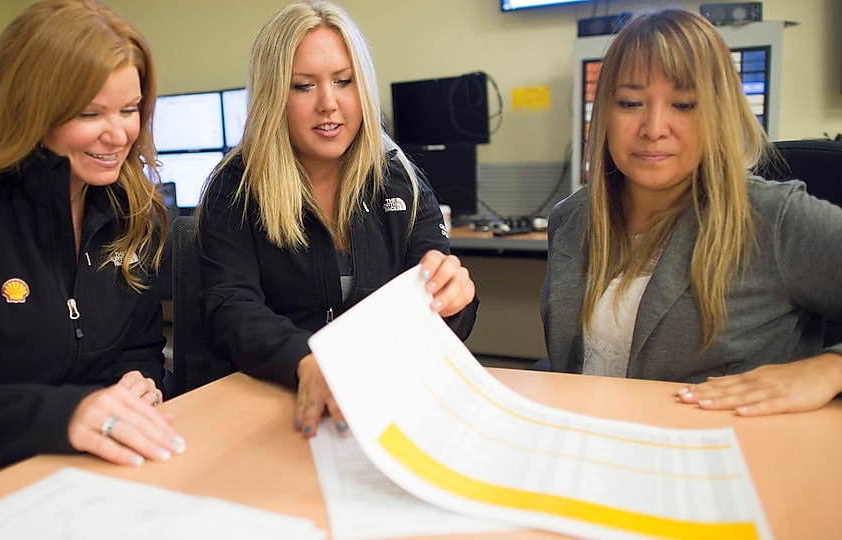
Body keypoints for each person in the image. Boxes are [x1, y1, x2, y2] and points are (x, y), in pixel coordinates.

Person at [0, 0, 185, 518]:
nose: (118, 136)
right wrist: (67, 414)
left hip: (71, 471)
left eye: (130, 109)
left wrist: (140, 388)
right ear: (27, 107)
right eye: (90, 113)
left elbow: (138, 348)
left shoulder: (130, 209)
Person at [194, 0, 478, 438]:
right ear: (274, 95)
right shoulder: (234, 189)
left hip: (384, 404)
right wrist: (308, 362)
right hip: (277, 403)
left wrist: (455, 300)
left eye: (344, 81)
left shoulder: (398, 179)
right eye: (304, 86)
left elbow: (435, 301)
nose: (329, 103)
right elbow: (231, 310)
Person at [541, 7, 842, 416]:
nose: (654, 127)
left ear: (717, 114)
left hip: (727, 458)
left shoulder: (775, 220)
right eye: (631, 102)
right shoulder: (571, 219)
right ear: (605, 114)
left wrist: (830, 369)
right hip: (593, 452)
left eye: (683, 105)